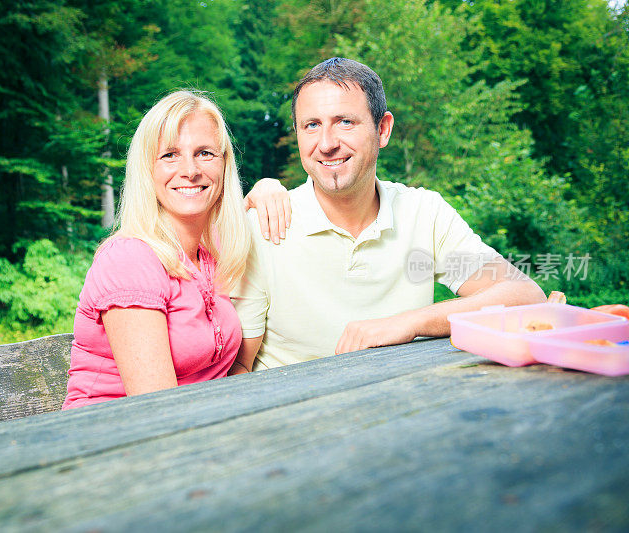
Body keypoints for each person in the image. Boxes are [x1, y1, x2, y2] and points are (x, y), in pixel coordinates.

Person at [231, 57, 546, 373]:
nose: (326, 144)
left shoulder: (425, 213)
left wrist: (411, 322)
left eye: (345, 122)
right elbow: (237, 370)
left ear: (382, 129)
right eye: (312, 125)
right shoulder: (263, 226)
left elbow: (527, 297)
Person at [63, 90, 251, 408]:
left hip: (197, 428)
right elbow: (158, 410)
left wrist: (268, 190)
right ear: (147, 170)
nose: (190, 170)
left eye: (205, 153)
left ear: (224, 165)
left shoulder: (213, 252)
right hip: (113, 438)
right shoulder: (130, 260)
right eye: (169, 155)